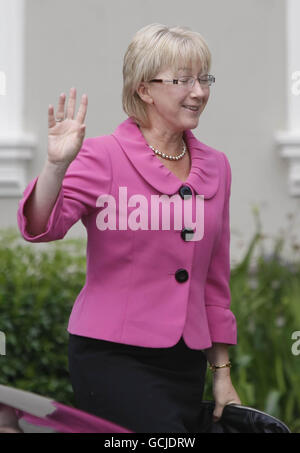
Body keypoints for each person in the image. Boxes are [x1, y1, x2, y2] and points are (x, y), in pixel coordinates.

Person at [17, 23, 241, 433]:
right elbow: (42, 226)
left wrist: (222, 374)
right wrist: (55, 166)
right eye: (183, 80)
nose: (199, 91)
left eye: (203, 78)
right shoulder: (103, 156)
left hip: (185, 360)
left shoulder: (217, 166)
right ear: (144, 89)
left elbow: (215, 279)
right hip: (113, 356)